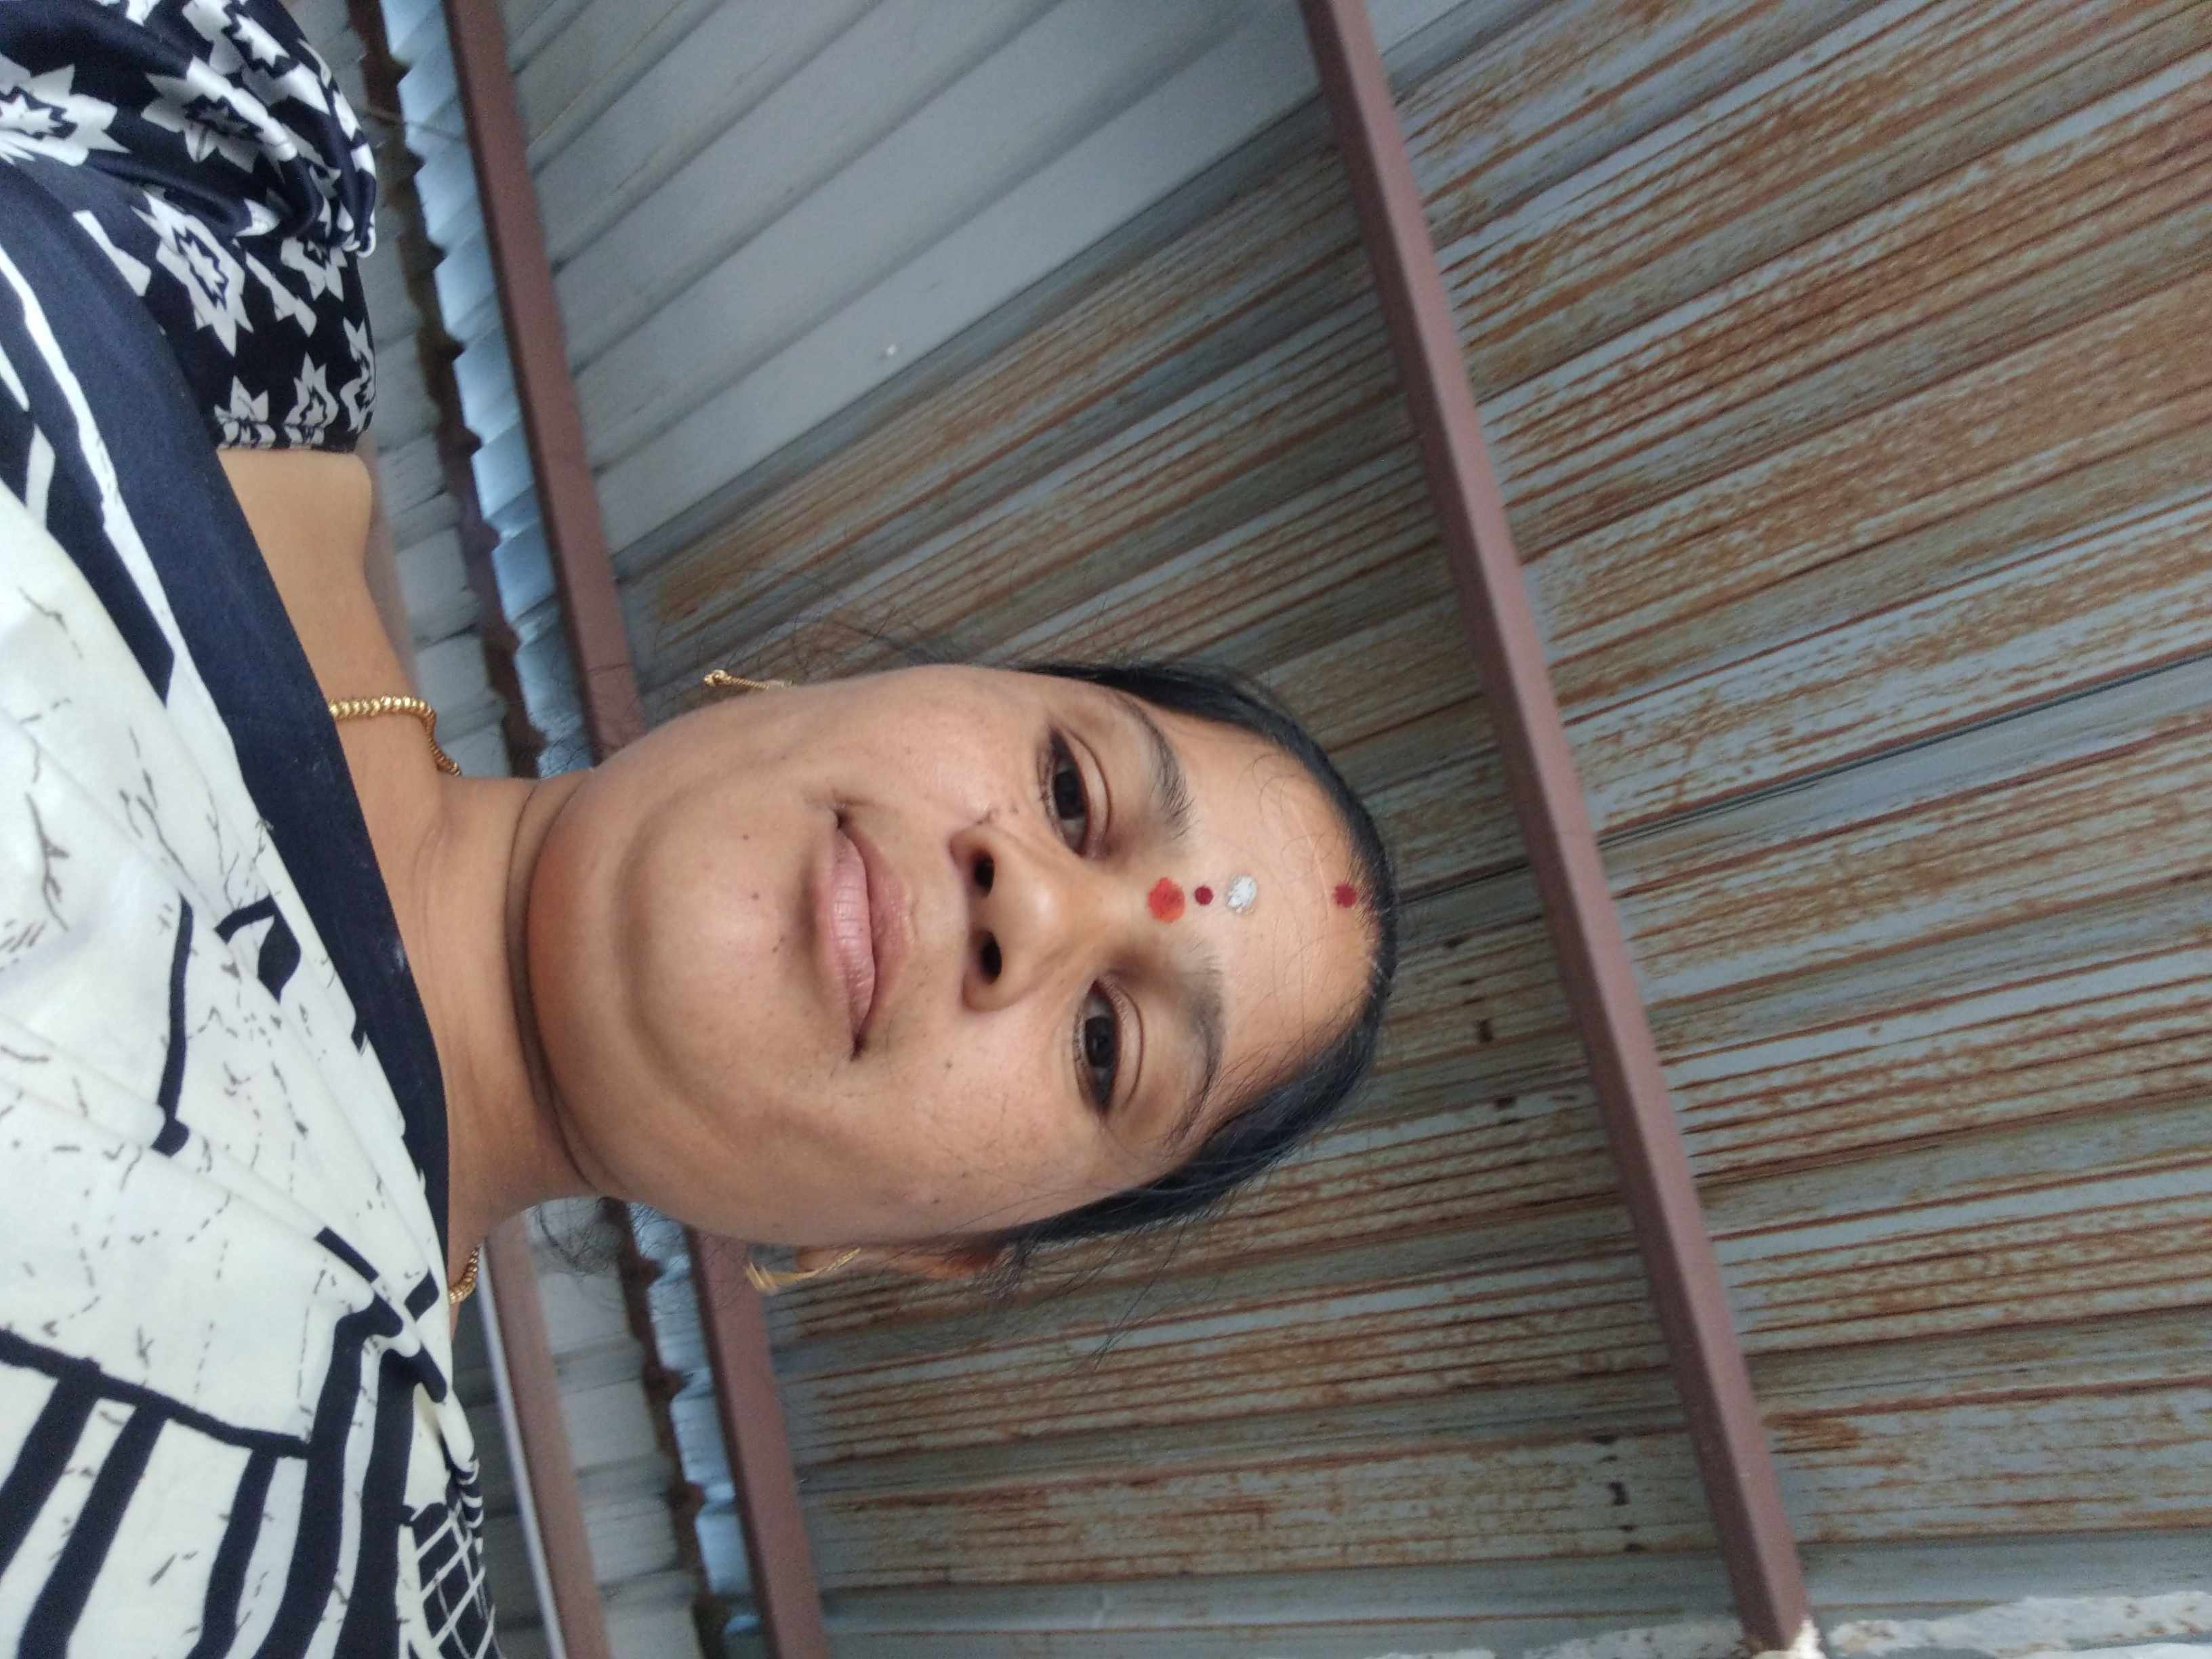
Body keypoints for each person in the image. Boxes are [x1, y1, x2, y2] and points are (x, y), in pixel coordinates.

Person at [0, 1, 1398, 1654]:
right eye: (1073, 793)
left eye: (1106, 1046)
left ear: (927, 1249)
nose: (1027, 904)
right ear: (864, 683)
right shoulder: (231, 171)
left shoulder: (313, 1586)